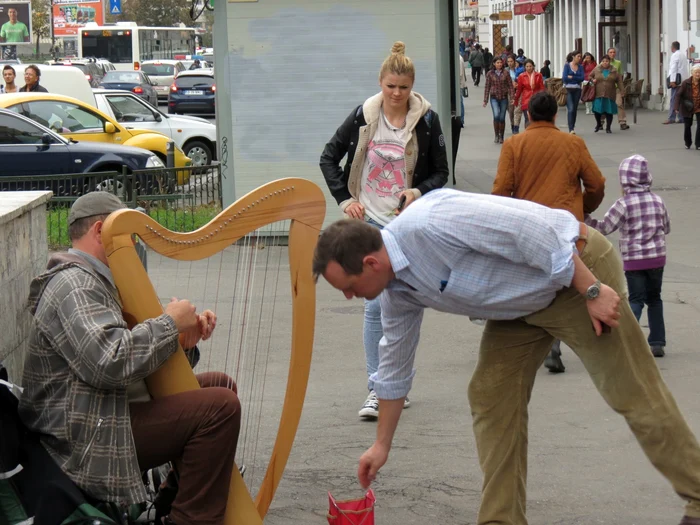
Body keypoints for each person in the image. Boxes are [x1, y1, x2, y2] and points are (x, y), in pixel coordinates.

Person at [313, 190, 700, 525]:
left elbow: (533, 229)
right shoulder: (396, 291)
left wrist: (593, 291)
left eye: (348, 287)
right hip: (522, 303)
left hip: (576, 275)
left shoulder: (429, 223)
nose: (350, 297)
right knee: (490, 394)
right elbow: (394, 367)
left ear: (370, 264)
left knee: (631, 390)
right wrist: (381, 445)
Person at [18, 192, 242, 525]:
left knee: (219, 386)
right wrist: (168, 324)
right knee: (219, 409)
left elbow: (129, 366)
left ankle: (166, 505)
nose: (135, 244)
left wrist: (182, 339)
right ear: (100, 232)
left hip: (104, 410)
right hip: (82, 436)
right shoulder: (74, 284)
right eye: (130, 235)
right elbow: (109, 363)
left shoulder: (96, 281)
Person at [319, 41, 448, 420]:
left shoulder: (427, 120)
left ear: (412, 87)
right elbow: (329, 156)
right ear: (380, 83)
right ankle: (377, 388)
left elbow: (442, 172)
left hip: (407, 225)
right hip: (371, 223)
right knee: (375, 306)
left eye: (403, 87)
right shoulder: (364, 116)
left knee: (404, 305)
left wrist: (417, 190)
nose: (396, 94)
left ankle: (398, 384)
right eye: (390, 86)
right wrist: (344, 199)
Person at [492, 91, 606, 373]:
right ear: (556, 115)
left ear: (529, 115)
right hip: (566, 226)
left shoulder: (513, 145)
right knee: (569, 285)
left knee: (539, 286)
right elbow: (597, 184)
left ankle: (545, 346)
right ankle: (571, 344)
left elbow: (501, 191)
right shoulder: (573, 143)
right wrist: (584, 208)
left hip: (529, 228)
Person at [585, 155, 670, 358]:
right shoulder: (658, 201)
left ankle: (627, 340)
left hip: (634, 261)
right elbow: (666, 227)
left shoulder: (623, 204)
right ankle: (657, 342)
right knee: (655, 298)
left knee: (636, 299)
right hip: (657, 258)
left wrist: (585, 219)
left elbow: (605, 227)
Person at [482, 56, 514, 144]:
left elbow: (510, 86)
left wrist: (512, 97)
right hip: (494, 97)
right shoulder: (490, 74)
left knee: (502, 117)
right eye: (497, 63)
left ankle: (501, 136)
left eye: (500, 63)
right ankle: (496, 134)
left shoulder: (506, 73)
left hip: (504, 97)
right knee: (496, 115)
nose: (499, 64)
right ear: (494, 64)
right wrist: (485, 100)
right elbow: (487, 87)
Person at [589, 55, 622, 134]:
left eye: (607, 61)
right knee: (597, 110)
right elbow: (590, 76)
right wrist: (592, 80)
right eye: (603, 61)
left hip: (610, 93)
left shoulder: (614, 70)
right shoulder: (597, 69)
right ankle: (598, 124)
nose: (605, 63)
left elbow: (619, 81)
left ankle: (608, 127)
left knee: (609, 111)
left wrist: (622, 91)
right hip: (598, 93)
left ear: (609, 62)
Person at [513, 59, 545, 129]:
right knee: (527, 118)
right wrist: (516, 100)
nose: (529, 68)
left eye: (530, 66)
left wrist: (543, 98)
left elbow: (542, 88)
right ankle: (528, 134)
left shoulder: (538, 75)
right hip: (526, 99)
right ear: (525, 67)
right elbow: (519, 90)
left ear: (533, 66)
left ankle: (535, 133)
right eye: (527, 66)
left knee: (535, 118)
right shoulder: (521, 76)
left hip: (536, 99)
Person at [675, 63, 700, 149]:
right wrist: (676, 107)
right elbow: (678, 95)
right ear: (692, 73)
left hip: (698, 106)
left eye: (699, 72)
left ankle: (698, 144)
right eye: (696, 72)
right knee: (688, 125)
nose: (698, 74)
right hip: (688, 106)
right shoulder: (686, 83)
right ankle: (688, 143)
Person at [665, 41, 689, 125]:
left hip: (677, 81)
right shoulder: (683, 55)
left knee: (674, 99)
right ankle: (682, 117)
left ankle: (671, 118)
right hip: (684, 80)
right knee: (681, 99)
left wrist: (672, 80)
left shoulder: (675, 55)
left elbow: (673, 68)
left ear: (673, 47)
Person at [607, 48, 630, 130]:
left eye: (613, 52)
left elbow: (620, 77)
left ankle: (622, 122)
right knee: (605, 104)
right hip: (607, 88)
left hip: (616, 87)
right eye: (610, 52)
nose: (612, 54)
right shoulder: (603, 63)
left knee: (619, 104)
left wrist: (622, 89)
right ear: (607, 53)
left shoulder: (618, 63)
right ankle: (601, 121)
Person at [562, 50, 584, 134]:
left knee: (574, 109)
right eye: (578, 56)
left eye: (580, 56)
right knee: (570, 109)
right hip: (568, 89)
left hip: (577, 89)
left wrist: (572, 77)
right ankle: (571, 129)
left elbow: (582, 78)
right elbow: (564, 78)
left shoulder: (580, 67)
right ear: (573, 57)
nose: (579, 58)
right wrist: (575, 77)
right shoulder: (567, 66)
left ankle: (572, 126)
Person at [506, 54, 525, 135]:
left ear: (514, 61)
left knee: (517, 109)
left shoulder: (519, 70)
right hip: (509, 92)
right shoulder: (506, 71)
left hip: (519, 91)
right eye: (508, 62)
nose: (510, 63)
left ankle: (516, 127)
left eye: (511, 61)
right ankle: (512, 124)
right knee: (511, 110)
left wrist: (517, 84)